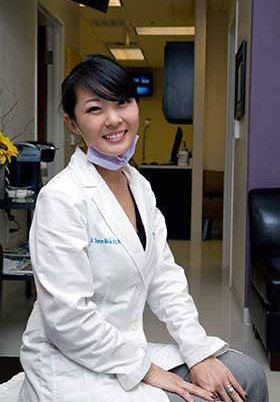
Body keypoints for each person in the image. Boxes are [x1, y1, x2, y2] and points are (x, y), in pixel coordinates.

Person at [18, 55, 268, 402]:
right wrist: (149, 371)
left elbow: (164, 279)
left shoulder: (139, 187)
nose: (114, 119)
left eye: (123, 102)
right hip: (71, 361)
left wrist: (197, 352)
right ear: (72, 123)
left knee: (248, 376)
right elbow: (68, 320)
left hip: (124, 350)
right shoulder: (61, 198)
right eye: (94, 109)